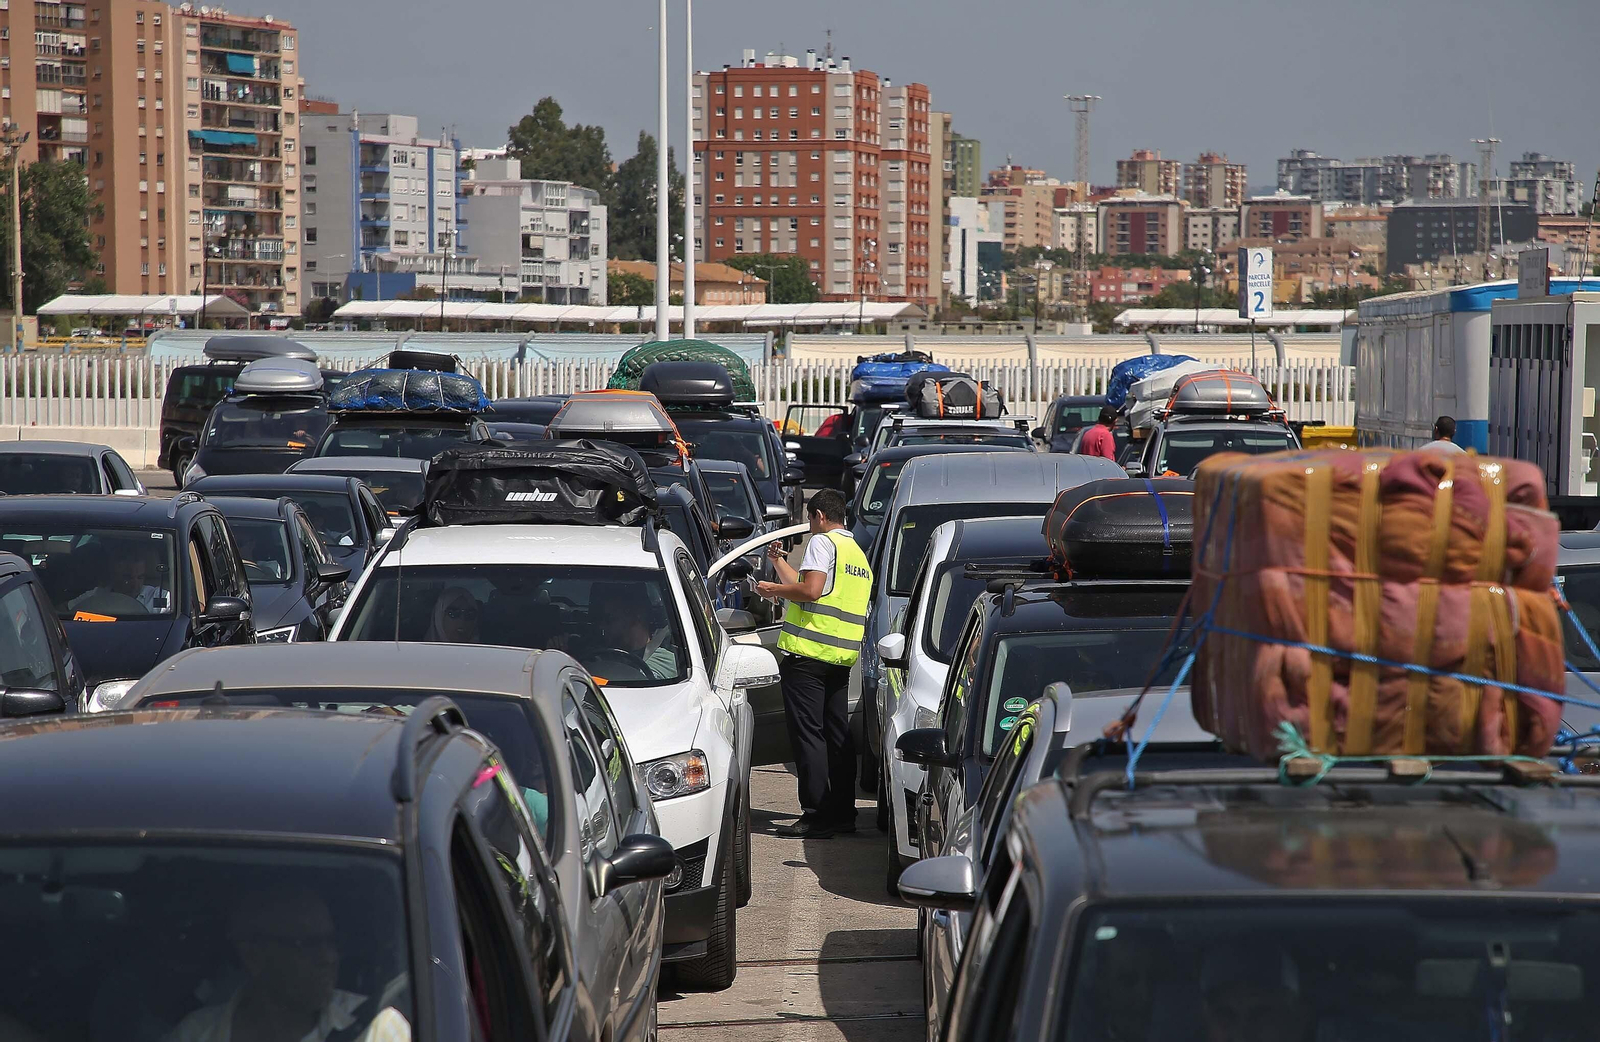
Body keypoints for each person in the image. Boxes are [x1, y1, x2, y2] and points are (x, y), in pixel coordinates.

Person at [755, 489, 873, 838]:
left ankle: (816, 814)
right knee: (836, 735)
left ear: (820, 515)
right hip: (838, 658)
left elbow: (811, 591)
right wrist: (780, 565)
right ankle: (842, 813)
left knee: (809, 737)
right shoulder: (856, 554)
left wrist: (773, 591)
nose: (810, 526)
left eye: (810, 519)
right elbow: (811, 585)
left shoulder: (823, 543)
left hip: (807, 656)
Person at [165, 890, 410, 1042]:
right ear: (253, 955)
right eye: (307, 944)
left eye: (331, 942)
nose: (329, 957)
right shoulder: (196, 1034)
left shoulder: (376, 1031)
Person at [591, 585, 679, 680]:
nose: (602, 626)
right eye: (600, 619)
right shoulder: (596, 658)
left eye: (609, 619)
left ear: (636, 617)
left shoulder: (668, 664)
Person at [69, 537, 169, 617]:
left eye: (140, 577)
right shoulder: (96, 595)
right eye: (128, 578)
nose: (135, 585)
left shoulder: (159, 596)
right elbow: (64, 610)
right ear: (114, 575)